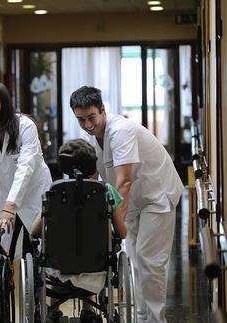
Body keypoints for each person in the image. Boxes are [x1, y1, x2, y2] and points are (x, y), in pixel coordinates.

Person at [69, 86, 184, 323]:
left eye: (91, 117)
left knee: (149, 259)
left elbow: (124, 181)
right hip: (133, 201)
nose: (88, 125)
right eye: (81, 120)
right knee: (133, 260)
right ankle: (141, 316)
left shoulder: (120, 131)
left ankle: (154, 319)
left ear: (102, 109)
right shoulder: (95, 139)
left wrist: (113, 224)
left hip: (156, 195)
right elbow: (100, 180)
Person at [30, 139, 126, 323]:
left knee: (58, 249)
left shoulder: (53, 192)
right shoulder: (106, 191)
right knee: (92, 246)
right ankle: (88, 310)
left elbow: (34, 231)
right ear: (92, 165)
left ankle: (53, 310)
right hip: (97, 264)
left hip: (58, 264)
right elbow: (122, 233)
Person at [0, 80, 52, 260]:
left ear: (3, 99)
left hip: (34, 194)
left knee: (36, 251)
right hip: (5, 196)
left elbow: (25, 167)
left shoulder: (25, 125)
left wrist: (10, 206)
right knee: (6, 253)